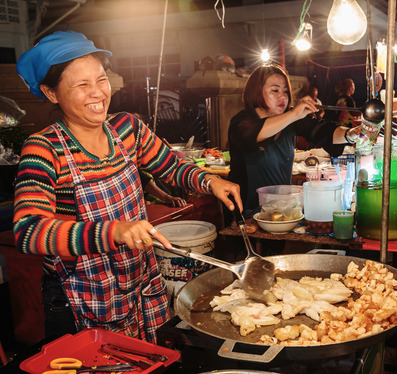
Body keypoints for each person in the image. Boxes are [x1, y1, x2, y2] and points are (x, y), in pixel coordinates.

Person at [13, 30, 242, 343]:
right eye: (82, 85)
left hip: (140, 280)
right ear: (51, 93)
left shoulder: (127, 128)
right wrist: (114, 231)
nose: (98, 93)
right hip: (82, 293)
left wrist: (210, 180)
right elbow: (30, 231)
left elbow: (172, 167)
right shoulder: (43, 149)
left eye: (101, 79)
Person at [227, 64, 360, 213]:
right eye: (275, 90)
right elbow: (250, 135)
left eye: (285, 91)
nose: (283, 96)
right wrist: (294, 114)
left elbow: (324, 131)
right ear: (257, 92)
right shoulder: (241, 122)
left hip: (283, 210)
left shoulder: (291, 119)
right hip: (245, 213)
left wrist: (353, 133)